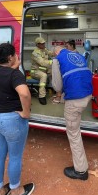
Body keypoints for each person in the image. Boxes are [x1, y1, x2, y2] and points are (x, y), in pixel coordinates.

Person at [0, 43, 35, 195]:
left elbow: (2, 83)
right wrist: (26, 113)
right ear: (10, 58)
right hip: (12, 120)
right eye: (15, 55)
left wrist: (14, 66)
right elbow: (24, 93)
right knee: (15, 157)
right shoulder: (15, 74)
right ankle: (15, 192)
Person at [52, 46, 92, 180]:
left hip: (75, 99)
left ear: (56, 52)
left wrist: (59, 93)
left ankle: (81, 171)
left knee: (74, 134)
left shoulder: (57, 60)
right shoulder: (78, 56)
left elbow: (57, 86)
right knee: (76, 117)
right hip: (87, 95)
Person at [30, 37, 61, 105]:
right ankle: (42, 96)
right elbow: (42, 63)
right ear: (37, 44)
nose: (43, 45)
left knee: (56, 73)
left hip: (44, 70)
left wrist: (58, 52)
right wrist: (53, 61)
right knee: (44, 76)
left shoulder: (44, 50)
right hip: (35, 72)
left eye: (44, 43)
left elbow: (51, 53)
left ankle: (58, 92)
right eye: (42, 44)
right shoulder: (35, 53)